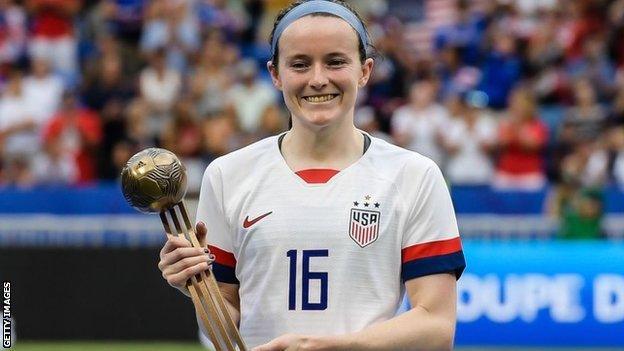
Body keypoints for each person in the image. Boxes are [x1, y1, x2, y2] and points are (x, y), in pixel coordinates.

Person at [157, 1, 466, 350]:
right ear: (275, 74)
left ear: (365, 71)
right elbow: (227, 326)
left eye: (335, 62)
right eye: (300, 64)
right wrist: (197, 287)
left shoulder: (415, 176)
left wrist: (327, 347)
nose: (318, 80)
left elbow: (437, 326)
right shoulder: (228, 175)